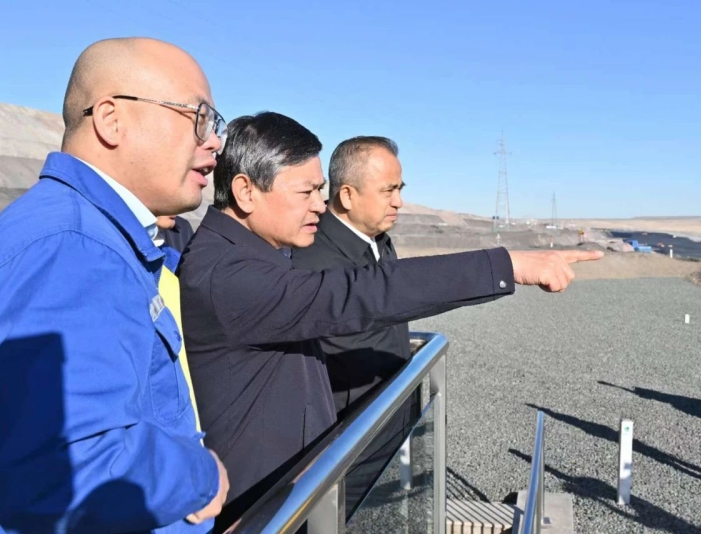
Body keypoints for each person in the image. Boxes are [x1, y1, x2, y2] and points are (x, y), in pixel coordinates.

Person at [178, 111, 602, 522]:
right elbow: (357, 294)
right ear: (246, 191)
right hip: (266, 510)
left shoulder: (251, 256)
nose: (320, 206)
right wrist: (506, 265)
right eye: (306, 192)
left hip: (294, 490)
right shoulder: (228, 276)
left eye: (319, 190)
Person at [0, 38, 229, 533]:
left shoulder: (83, 232)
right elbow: (66, 464)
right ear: (111, 120)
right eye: (199, 117)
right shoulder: (76, 247)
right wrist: (200, 475)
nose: (214, 141)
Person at [291, 136, 415, 514]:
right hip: (347, 444)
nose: (399, 201)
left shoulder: (380, 243)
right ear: (347, 195)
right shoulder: (312, 259)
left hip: (393, 423)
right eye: (388, 190)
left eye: (400, 189)